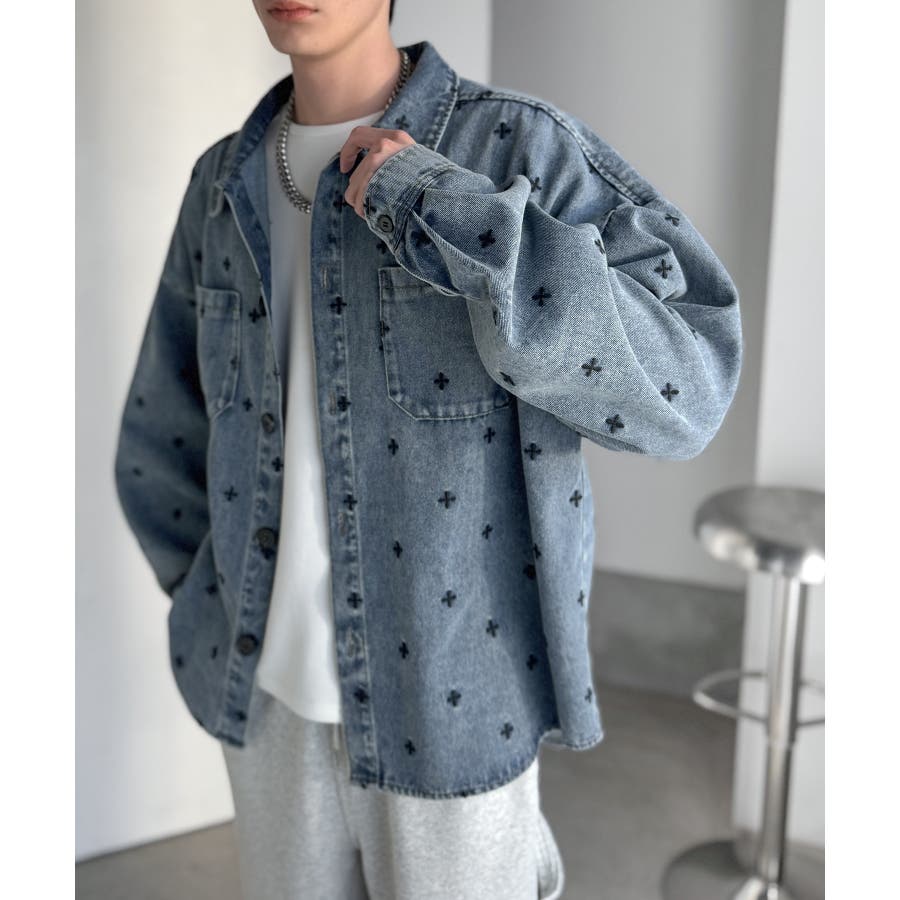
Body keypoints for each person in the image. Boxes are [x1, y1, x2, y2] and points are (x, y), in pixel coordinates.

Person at [113, 1, 743, 897]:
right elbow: (164, 428)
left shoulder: (517, 149)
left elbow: (693, 387)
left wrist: (451, 212)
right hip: (265, 704)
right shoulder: (222, 181)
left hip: (457, 706)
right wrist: (210, 604)